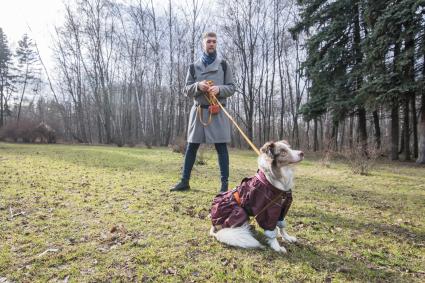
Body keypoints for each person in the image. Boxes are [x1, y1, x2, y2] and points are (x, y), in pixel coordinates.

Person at [171, 32, 235, 192]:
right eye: (208, 42)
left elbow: (232, 87)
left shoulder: (224, 65)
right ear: (203, 44)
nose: (211, 44)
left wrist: (219, 89)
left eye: (214, 41)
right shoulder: (193, 67)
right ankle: (184, 181)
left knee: (221, 148)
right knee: (191, 147)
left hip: (217, 111)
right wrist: (198, 86)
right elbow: (186, 89)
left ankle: (224, 186)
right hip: (198, 112)